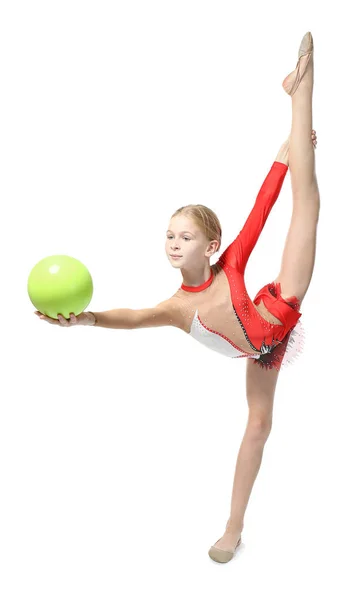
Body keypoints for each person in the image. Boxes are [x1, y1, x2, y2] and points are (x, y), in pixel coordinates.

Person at [35, 32, 319, 564]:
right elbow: (132, 316)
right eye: (169, 235)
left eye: (184, 237)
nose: (173, 243)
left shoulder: (230, 263)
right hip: (263, 351)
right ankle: (233, 528)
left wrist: (287, 150)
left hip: (279, 306)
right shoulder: (176, 307)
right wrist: (85, 319)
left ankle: (300, 95)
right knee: (257, 426)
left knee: (308, 199)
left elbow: (262, 206)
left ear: (210, 246)